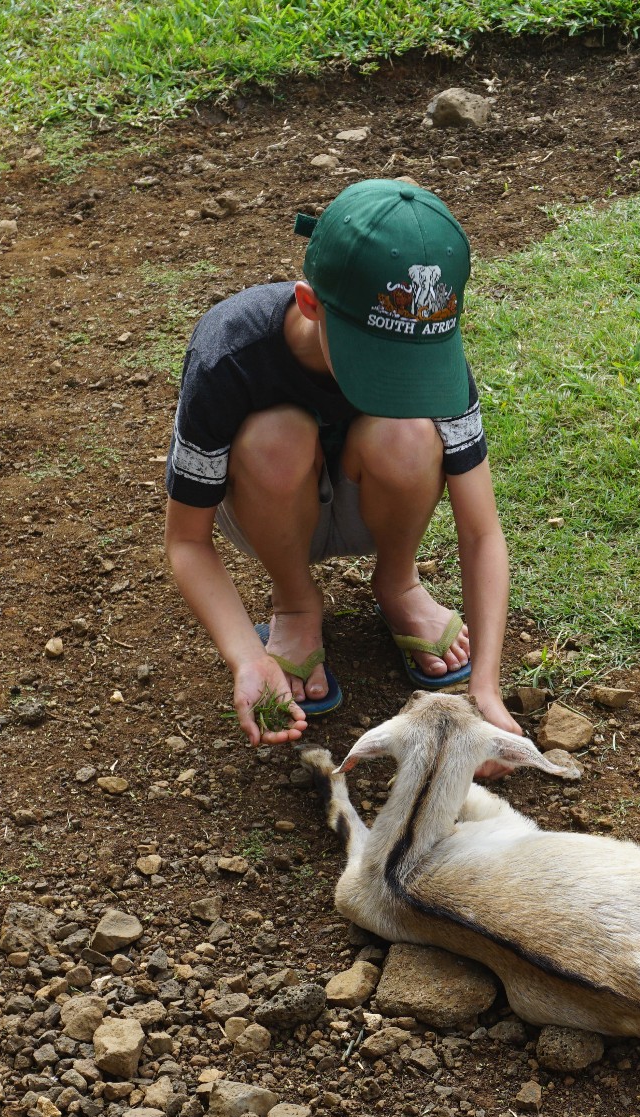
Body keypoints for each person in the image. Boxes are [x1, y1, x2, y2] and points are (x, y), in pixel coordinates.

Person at [162, 179, 521, 766]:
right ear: (309, 304)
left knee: (405, 430)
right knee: (276, 434)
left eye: (410, 366)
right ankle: (295, 600)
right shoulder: (229, 350)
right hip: (265, 502)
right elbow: (185, 540)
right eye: (376, 361)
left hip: (371, 499)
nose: (397, 377)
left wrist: (485, 684)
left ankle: (399, 581)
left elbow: (482, 531)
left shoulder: (431, 345)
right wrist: (245, 657)